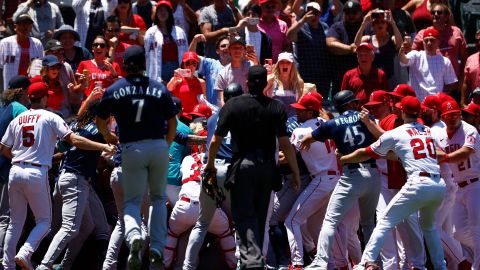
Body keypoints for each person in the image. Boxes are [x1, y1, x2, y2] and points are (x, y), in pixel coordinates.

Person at [0, 81, 115, 270]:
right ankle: (26, 253)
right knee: (45, 222)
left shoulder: (18, 119)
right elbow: (75, 139)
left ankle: (7, 265)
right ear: (45, 97)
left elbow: (3, 148)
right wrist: (102, 146)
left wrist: (20, 158)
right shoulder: (49, 116)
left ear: (29, 98)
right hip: (36, 172)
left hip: (15, 170)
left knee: (15, 223)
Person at [204, 66, 300, 270]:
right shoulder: (276, 107)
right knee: (259, 217)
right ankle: (256, 261)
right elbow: (285, 144)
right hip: (267, 169)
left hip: (243, 167)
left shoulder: (233, 105)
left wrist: (210, 165)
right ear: (266, 84)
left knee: (244, 217)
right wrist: (296, 173)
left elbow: (215, 141)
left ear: (247, 83)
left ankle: (252, 263)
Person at [338, 96, 447, 270]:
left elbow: (365, 153)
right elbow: (399, 155)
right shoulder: (428, 131)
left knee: (384, 221)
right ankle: (441, 266)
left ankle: (365, 262)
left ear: (403, 111)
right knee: (429, 227)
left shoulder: (397, 132)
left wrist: (344, 158)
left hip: (418, 183)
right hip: (438, 185)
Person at [96, 45, 178, 270]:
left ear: (124, 65)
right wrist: (166, 145)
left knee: (132, 202)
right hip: (158, 147)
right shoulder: (159, 88)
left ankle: (134, 239)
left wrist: (108, 136)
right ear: (144, 64)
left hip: (131, 149)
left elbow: (100, 119)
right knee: (158, 200)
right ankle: (157, 248)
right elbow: (172, 121)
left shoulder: (115, 88)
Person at [299, 90, 381, 270]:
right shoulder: (366, 118)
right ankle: (371, 262)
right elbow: (381, 137)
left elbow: (309, 138)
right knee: (368, 223)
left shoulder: (332, 123)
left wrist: (305, 141)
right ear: (351, 104)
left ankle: (320, 262)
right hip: (374, 175)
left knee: (330, 220)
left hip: (352, 176)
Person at [36, 99, 112, 270]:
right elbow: (115, 142)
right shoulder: (98, 129)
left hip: (64, 178)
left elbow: (65, 146)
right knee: (69, 228)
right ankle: (44, 265)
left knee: (86, 227)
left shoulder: (77, 125)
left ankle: (64, 265)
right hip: (76, 180)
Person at [183, 83, 243, 270]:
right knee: (240, 222)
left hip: (210, 171)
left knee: (202, 224)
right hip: (230, 171)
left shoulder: (212, 118)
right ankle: (241, 264)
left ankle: (187, 267)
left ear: (225, 98)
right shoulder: (245, 117)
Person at [285, 93, 340, 269]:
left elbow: (286, 157)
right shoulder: (327, 123)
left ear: (310, 112)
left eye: (301, 111)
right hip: (336, 179)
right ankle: (329, 264)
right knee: (316, 225)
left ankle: (297, 263)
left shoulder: (301, 131)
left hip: (322, 180)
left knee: (291, 221)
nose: (297, 114)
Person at [437, 99, 480, 270]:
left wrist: (445, 157)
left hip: (476, 184)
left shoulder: (469, 130)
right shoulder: (439, 135)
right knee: (458, 232)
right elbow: (433, 149)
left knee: (477, 230)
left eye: (455, 114)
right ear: (442, 117)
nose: (453, 117)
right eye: (449, 115)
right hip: (458, 187)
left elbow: (466, 152)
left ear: (460, 114)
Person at [0, 76, 30, 262]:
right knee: (6, 218)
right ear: (23, 91)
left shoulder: (3, 108)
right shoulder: (20, 109)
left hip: (3, 166)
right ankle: (3, 260)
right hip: (7, 168)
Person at [412, 3, 468, 90]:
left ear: (446, 17)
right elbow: (412, 56)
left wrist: (462, 79)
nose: (435, 15)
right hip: (431, 86)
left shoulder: (456, 32)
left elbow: (464, 57)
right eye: (433, 13)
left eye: (439, 12)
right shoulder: (423, 34)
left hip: (453, 85)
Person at [399, 27, 457, 102]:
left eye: (432, 40)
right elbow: (404, 61)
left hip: (435, 104)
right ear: (423, 42)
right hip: (418, 103)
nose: (429, 43)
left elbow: (450, 84)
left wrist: (441, 97)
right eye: (426, 40)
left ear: (438, 42)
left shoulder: (445, 61)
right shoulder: (416, 55)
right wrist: (402, 50)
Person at [286, 1, 331, 97]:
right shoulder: (300, 27)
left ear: (320, 13)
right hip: (305, 74)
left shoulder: (325, 27)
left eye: (315, 13)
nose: (312, 16)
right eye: (309, 12)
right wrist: (302, 20)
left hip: (322, 74)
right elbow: (289, 37)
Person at [354, 9, 403, 89]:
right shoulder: (367, 39)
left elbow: (400, 45)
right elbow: (356, 44)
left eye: (382, 22)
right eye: (377, 22)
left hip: (389, 79)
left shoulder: (392, 39)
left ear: (386, 25)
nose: (380, 24)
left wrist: (393, 23)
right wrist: (364, 23)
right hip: (372, 80)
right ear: (372, 25)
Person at [144, 0, 189, 83]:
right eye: (160, 10)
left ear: (170, 13)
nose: (163, 13)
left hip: (177, 68)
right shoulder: (150, 33)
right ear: (156, 13)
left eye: (166, 10)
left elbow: (186, 54)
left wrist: (186, 73)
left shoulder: (180, 31)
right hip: (160, 69)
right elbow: (148, 56)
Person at [326, 0, 363, 93]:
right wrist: (350, 49)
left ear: (360, 13)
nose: (351, 15)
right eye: (347, 12)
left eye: (354, 12)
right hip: (340, 76)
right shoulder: (337, 27)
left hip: (362, 77)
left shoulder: (365, 26)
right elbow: (330, 44)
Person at [0, 14, 43, 90]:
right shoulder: (5, 43)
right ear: (15, 26)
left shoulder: (37, 44)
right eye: (22, 24)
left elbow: (42, 68)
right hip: (10, 89)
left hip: (30, 88)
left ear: (31, 27)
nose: (25, 27)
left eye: (28, 24)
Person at [214, 36, 259, 106]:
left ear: (244, 51)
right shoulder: (222, 74)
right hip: (231, 109)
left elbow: (260, 87)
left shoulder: (252, 66)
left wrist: (257, 64)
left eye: (240, 48)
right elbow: (222, 100)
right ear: (229, 50)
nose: (237, 51)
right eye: (234, 48)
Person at [263, 52, 304, 117]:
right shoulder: (271, 80)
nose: (285, 65)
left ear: (292, 65)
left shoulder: (299, 82)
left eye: (288, 62)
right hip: (274, 121)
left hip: (292, 123)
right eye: (282, 62)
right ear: (278, 65)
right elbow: (261, 98)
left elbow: (298, 104)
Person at [461, 30, 480, 107]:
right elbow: (466, 83)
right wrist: (462, 102)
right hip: (475, 104)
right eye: (477, 40)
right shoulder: (470, 59)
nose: (479, 43)